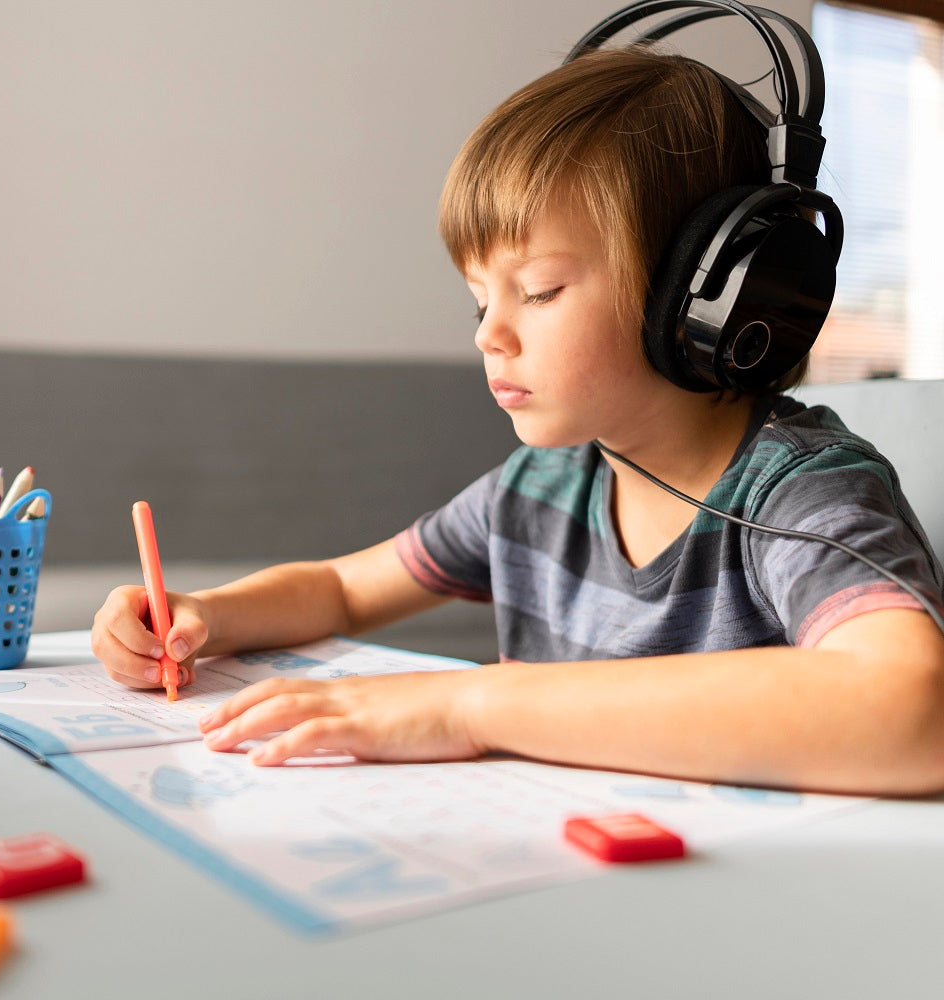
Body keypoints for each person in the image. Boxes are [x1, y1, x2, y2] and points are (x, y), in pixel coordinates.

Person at [92, 43, 944, 796]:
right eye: (477, 299)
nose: (488, 335)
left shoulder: (799, 493)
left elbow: (912, 709)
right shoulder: (541, 488)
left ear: (708, 298)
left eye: (537, 291)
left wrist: (470, 703)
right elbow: (344, 589)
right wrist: (202, 615)